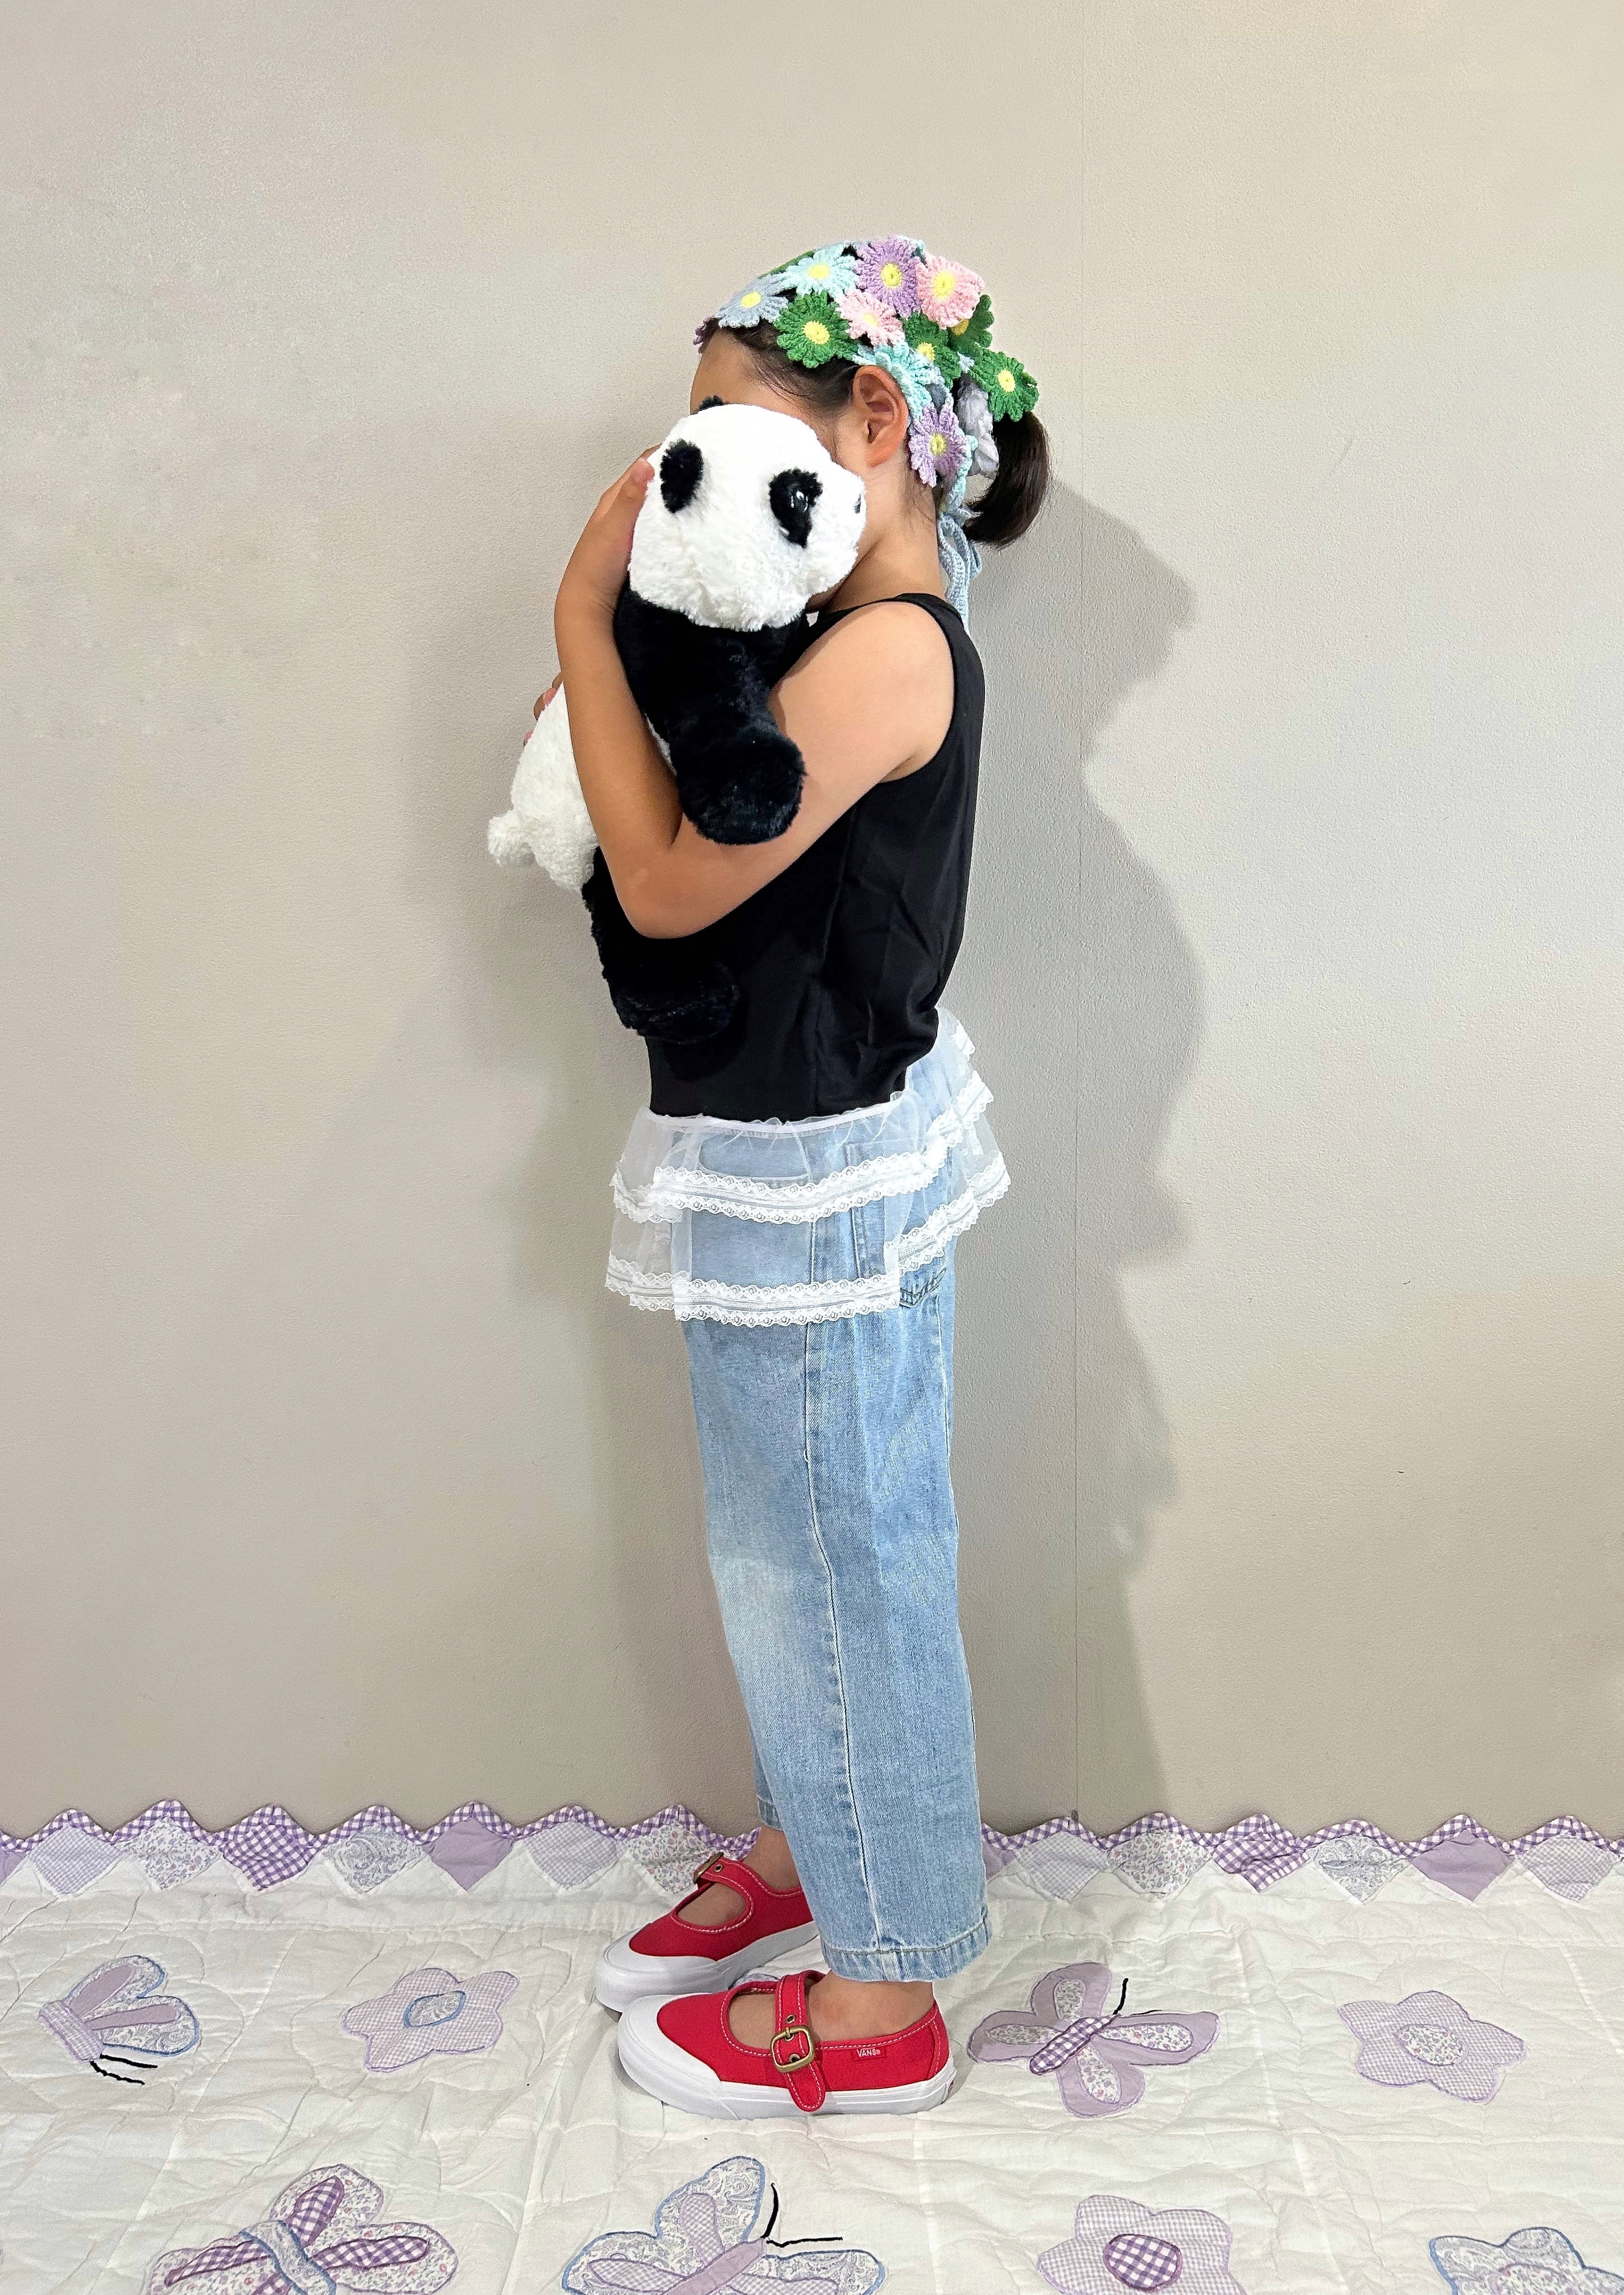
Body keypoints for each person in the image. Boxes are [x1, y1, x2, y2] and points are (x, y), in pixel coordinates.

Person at [548, 237, 1048, 2117]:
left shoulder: (889, 650)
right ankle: (812, 1842)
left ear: (877, 425)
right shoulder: (850, 630)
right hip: (799, 1151)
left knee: (832, 1558)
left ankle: (882, 1992)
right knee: (801, 1546)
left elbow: (672, 881)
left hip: (809, 1168)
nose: (680, 465)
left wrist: (583, 620)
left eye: (720, 422)